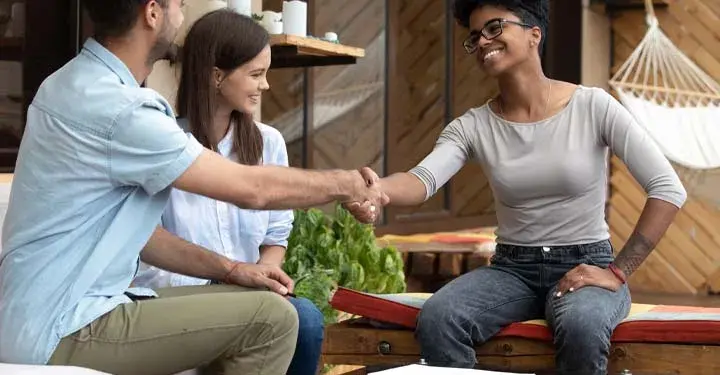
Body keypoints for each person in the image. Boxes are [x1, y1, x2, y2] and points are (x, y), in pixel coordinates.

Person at [0, 1, 386, 374]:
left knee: (285, 311)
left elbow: (142, 237)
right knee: (273, 320)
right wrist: (346, 183)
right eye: (179, 4)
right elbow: (252, 190)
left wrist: (232, 269)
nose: (183, 16)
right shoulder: (119, 109)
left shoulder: (70, 84)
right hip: (63, 326)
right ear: (152, 12)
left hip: (39, 317)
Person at [345, 0, 687, 374]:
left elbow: (667, 189)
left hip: (585, 265)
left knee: (581, 327)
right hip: (512, 270)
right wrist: (379, 190)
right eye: (475, 36)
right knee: (441, 317)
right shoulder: (472, 126)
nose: (482, 42)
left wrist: (618, 272)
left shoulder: (593, 106)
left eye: (495, 28)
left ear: (533, 35)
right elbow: (422, 180)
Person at [132, 10, 323, 375]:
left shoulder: (268, 143)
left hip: (247, 292)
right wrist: (228, 276)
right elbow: (147, 245)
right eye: (256, 74)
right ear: (216, 75)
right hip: (178, 295)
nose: (265, 86)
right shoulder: (163, 143)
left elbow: (276, 233)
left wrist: (267, 276)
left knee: (305, 320)